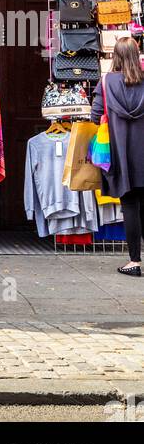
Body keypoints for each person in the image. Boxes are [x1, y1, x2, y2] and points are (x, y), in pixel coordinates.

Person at [91, 35, 144, 277]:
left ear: (116, 56)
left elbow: (95, 116)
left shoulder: (106, 82)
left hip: (122, 154)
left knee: (130, 207)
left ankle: (134, 262)